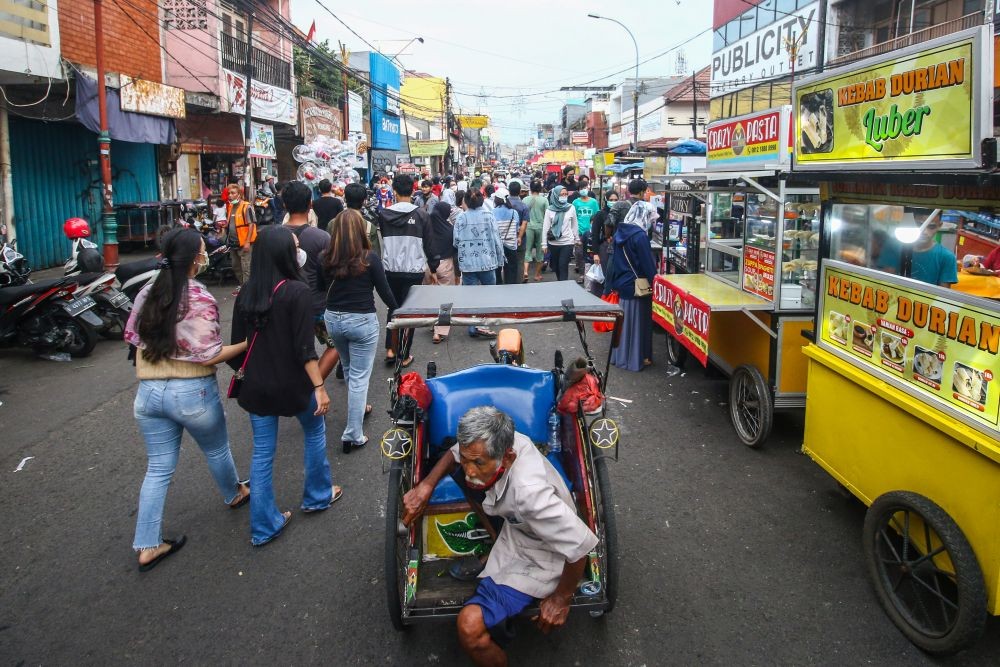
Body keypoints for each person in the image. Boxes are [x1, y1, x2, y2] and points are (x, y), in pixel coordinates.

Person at [401, 407, 597, 667]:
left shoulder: (531, 496)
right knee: (451, 460)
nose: (469, 470)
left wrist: (562, 598)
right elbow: (454, 453)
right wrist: (426, 485)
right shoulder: (491, 443)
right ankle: (495, 547)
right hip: (516, 528)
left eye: (478, 463)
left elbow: (580, 546)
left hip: (542, 553)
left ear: (508, 458)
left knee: (469, 627)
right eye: (468, 460)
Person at [124, 227, 250, 571]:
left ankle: (148, 544)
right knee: (216, 449)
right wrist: (249, 343)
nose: (205, 254)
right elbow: (210, 355)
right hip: (191, 392)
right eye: (202, 250)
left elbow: (133, 338)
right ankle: (234, 493)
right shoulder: (199, 297)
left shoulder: (147, 292)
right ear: (195, 258)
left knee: (158, 468)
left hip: (148, 394)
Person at [231, 226, 337, 546]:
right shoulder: (297, 291)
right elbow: (306, 350)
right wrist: (319, 386)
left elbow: (237, 347)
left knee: (263, 454)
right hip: (294, 386)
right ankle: (317, 495)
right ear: (283, 254)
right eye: (294, 246)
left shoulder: (246, 292)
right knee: (315, 432)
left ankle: (264, 526)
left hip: (257, 388)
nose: (299, 251)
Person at [322, 210, 398, 454]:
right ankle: (353, 433)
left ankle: (360, 406)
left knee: (348, 367)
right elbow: (385, 292)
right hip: (362, 321)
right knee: (358, 377)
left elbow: (320, 288)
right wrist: (400, 309)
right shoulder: (369, 258)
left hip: (333, 319)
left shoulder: (325, 257)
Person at [378, 173, 436, 366]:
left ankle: (390, 349)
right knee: (409, 312)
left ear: (394, 191)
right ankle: (404, 355)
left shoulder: (384, 215)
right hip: (413, 270)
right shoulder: (421, 215)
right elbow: (429, 245)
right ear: (413, 190)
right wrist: (433, 268)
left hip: (390, 269)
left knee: (393, 308)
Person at [606, 201, 657, 371]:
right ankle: (635, 359)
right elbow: (648, 265)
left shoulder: (621, 231)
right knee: (637, 324)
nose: (652, 222)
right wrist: (656, 282)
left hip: (622, 283)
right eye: (651, 217)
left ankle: (620, 357)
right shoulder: (640, 236)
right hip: (637, 286)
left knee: (624, 324)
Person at [453, 188, 503, 339]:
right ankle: (484, 325)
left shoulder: (461, 218)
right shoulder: (489, 216)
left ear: (466, 201)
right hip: (487, 262)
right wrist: (500, 259)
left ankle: (472, 326)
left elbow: (456, 242)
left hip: (468, 264)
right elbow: (496, 239)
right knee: (489, 295)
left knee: (470, 297)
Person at [428, 200, 458, 343]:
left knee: (431, 297)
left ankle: (432, 323)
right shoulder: (450, 229)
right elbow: (455, 249)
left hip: (427, 267)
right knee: (444, 300)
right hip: (446, 264)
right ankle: (439, 331)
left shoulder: (426, 227)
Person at [908, 209, 958, 288]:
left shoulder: (947, 257)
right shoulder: (897, 249)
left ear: (939, 225)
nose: (924, 231)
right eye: (919, 224)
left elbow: (943, 295)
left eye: (931, 226)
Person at [541, 185, 579, 282]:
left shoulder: (571, 208)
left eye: (566, 194)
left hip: (567, 242)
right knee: (556, 267)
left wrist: (577, 239)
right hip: (553, 243)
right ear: (556, 195)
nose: (564, 196)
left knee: (563, 265)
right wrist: (544, 244)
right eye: (562, 194)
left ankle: (563, 286)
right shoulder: (549, 210)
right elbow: (545, 228)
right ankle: (560, 283)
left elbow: (574, 225)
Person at [225, 182, 257, 294]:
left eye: (233, 193)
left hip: (244, 243)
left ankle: (248, 291)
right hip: (234, 243)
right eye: (229, 193)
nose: (230, 195)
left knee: (246, 268)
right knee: (236, 266)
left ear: (239, 194)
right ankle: (244, 286)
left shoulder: (246, 206)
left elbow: (251, 224)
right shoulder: (231, 207)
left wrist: (248, 242)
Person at [491, 187, 523, 285]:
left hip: (497, 246)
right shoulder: (514, 212)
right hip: (511, 246)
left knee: (497, 271)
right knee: (511, 271)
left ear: (497, 199)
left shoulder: (492, 212)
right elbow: (516, 228)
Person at [344, 182, 382, 256]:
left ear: (345, 199)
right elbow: (376, 256)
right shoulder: (370, 227)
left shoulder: (333, 224)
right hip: (363, 266)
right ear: (364, 201)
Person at [571, 185, 600, 281]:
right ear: (578, 191)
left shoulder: (593, 202)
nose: (583, 190)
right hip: (579, 231)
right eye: (581, 188)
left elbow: (597, 215)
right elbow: (573, 217)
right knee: (579, 253)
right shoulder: (575, 202)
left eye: (585, 188)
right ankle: (581, 273)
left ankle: (589, 273)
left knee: (590, 253)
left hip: (591, 232)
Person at [522, 180, 547, 283]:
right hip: (540, 227)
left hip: (528, 227)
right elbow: (547, 214)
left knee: (527, 250)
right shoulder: (544, 200)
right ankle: (537, 275)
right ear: (540, 189)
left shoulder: (525, 200)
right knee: (540, 252)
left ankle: (525, 272)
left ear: (530, 189)